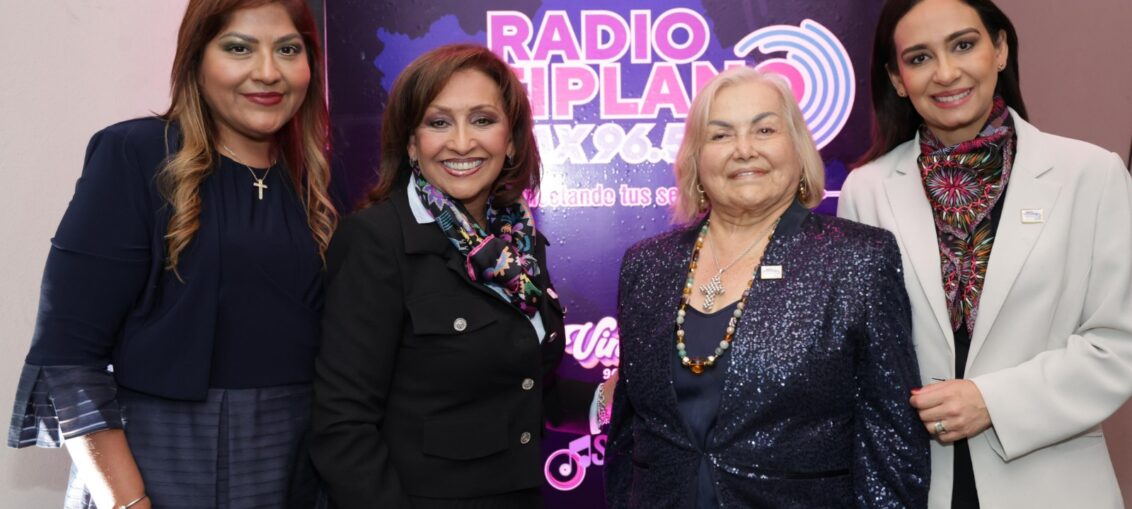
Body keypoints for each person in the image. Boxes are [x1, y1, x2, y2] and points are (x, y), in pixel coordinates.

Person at [6, 1, 337, 507]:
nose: (268, 72)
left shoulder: (318, 180)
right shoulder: (136, 155)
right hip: (161, 464)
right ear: (195, 59)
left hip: (297, 466)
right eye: (239, 48)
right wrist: (128, 502)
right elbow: (69, 358)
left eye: (288, 50)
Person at [838, 0, 1132, 507]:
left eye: (964, 45)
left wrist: (991, 402)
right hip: (915, 484)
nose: (946, 73)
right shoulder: (866, 191)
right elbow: (859, 360)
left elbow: (1118, 344)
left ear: (1000, 49)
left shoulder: (1090, 174)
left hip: (1053, 484)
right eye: (919, 58)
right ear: (897, 79)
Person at [604, 66, 930, 508]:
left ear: (798, 149)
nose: (744, 150)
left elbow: (891, 441)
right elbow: (628, 436)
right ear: (696, 160)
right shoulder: (646, 266)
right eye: (720, 135)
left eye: (764, 130)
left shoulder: (859, 260)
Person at [310, 43, 608, 509]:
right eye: (439, 122)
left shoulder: (516, 242)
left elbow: (515, 384)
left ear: (511, 140)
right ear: (412, 143)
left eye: (483, 120)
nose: (463, 142)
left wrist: (606, 401)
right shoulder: (376, 240)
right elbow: (342, 425)